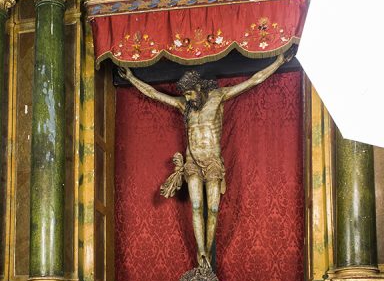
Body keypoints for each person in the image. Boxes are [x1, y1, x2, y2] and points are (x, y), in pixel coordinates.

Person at [119, 50, 293, 265]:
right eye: (187, 95)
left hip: (212, 162)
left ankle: (208, 253)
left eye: (191, 93)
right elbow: (154, 94)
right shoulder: (184, 105)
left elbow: (253, 81)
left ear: (198, 88)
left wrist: (277, 62)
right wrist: (131, 78)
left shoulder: (218, 97)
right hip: (192, 162)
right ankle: (201, 253)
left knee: (212, 209)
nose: (189, 98)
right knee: (195, 207)